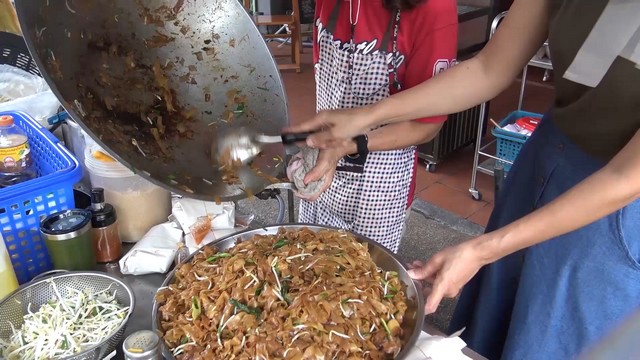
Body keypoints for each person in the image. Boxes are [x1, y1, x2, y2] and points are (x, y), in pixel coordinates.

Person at [286, 0, 640, 359]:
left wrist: (481, 249)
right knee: (495, 317)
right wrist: (367, 115)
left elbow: (626, 176)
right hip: (547, 156)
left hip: (613, 205)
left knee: (552, 332)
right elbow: (488, 69)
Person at [294, 0, 458, 253]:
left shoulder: (434, 7)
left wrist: (347, 144)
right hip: (322, 165)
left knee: (365, 281)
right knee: (307, 264)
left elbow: (427, 125)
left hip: (380, 182)